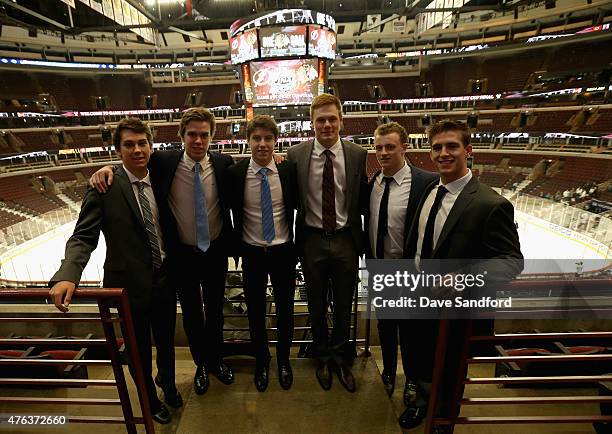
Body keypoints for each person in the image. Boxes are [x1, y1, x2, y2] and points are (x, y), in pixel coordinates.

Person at [89, 108, 235, 395]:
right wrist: (105, 169)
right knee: (192, 314)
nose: (198, 140)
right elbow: (131, 161)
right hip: (183, 256)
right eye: (192, 134)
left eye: (204, 135)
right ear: (181, 136)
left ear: (211, 136)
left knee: (216, 311)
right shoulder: (164, 162)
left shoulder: (223, 162)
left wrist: (278, 158)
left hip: (215, 251)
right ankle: (201, 365)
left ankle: (216, 360)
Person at [49, 117, 179, 424]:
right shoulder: (104, 187)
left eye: (142, 143)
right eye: (129, 144)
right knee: (139, 353)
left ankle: (169, 384)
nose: (137, 149)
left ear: (151, 146)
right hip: (127, 288)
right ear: (118, 150)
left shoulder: (161, 177)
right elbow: (83, 236)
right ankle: (149, 400)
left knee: (166, 342)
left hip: (164, 280)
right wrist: (68, 274)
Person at [402, 120, 523, 431]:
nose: (444, 153)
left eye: (452, 146)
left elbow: (511, 262)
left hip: (455, 309)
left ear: (468, 150)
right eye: (437, 147)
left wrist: (465, 277)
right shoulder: (430, 189)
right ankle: (421, 402)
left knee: (449, 368)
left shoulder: (490, 204)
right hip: (417, 296)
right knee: (417, 357)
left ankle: (443, 418)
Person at [286, 93, 368, 393]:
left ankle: (342, 358)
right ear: (312, 123)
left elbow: (359, 198)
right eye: (320, 119)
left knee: (345, 304)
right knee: (317, 304)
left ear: (341, 121)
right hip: (311, 239)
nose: (327, 124)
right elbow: (293, 198)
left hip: (346, 238)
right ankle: (321, 356)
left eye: (332, 118)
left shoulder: (358, 154)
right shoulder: (296, 155)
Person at [363, 122, 438, 416]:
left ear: (404, 147)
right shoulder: (373, 183)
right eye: (379, 147)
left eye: (390, 147)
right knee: (386, 326)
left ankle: (412, 381)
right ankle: (389, 373)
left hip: (410, 272)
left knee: (410, 333)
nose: (383, 153)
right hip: (380, 269)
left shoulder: (425, 183)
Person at [227, 115, 296, 391]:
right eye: (257, 138)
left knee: (286, 311)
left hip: (283, 252)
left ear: (275, 141)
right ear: (248, 141)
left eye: (268, 138)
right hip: (252, 253)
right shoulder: (235, 174)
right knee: (255, 312)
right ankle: (262, 360)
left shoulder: (289, 171)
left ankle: (283, 360)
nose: (262, 144)